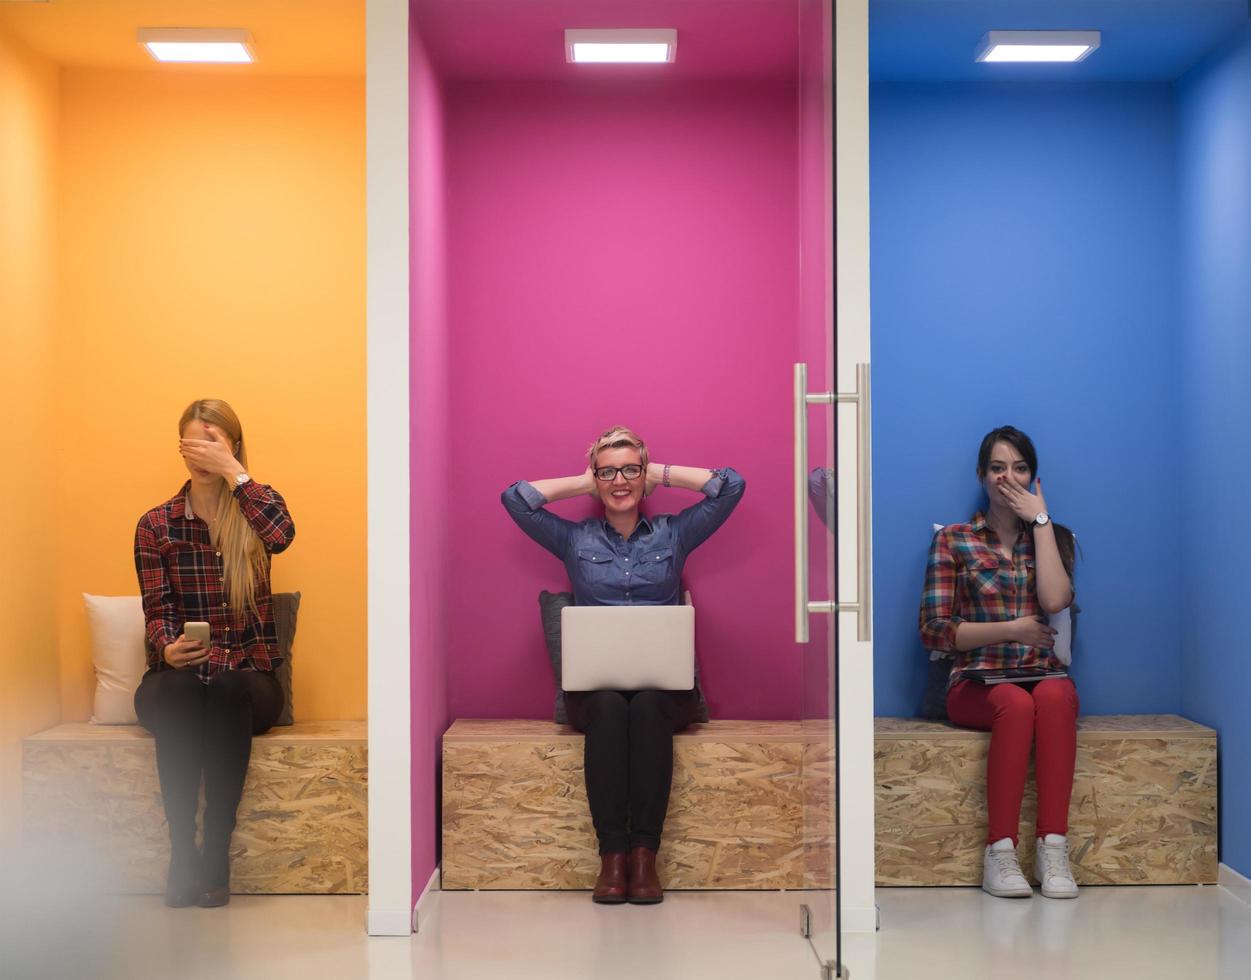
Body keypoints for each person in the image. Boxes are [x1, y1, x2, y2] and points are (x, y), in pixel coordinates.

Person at [501, 426, 745, 904]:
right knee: (612, 707)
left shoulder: (676, 533)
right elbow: (516, 499)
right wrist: (584, 479)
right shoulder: (574, 539)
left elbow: (730, 486)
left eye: (630, 469)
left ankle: (643, 858)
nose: (620, 480)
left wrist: (659, 472)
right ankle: (612, 858)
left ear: (643, 473)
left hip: (664, 693)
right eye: (608, 471)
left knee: (649, 703)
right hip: (596, 695)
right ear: (596, 476)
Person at [133, 399, 295, 907]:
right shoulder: (156, 525)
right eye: (193, 439)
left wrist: (236, 473)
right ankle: (184, 854)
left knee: (225, 688)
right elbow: (155, 608)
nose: (201, 449)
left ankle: (215, 854)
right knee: (181, 691)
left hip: (248, 683)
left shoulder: (255, 512)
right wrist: (168, 645)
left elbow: (283, 535)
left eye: (213, 439)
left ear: (232, 444)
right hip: (179, 680)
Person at [919, 425, 1080, 900]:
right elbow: (934, 629)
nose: (1008, 477)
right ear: (982, 476)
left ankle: (1053, 848)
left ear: (1033, 477)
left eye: (1020, 467)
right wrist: (1012, 629)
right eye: (997, 467)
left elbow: (1055, 599)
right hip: (975, 683)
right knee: (1014, 701)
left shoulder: (1050, 537)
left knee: (1055, 694)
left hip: (1040, 675)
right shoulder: (955, 540)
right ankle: (1001, 853)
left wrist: (1043, 522)